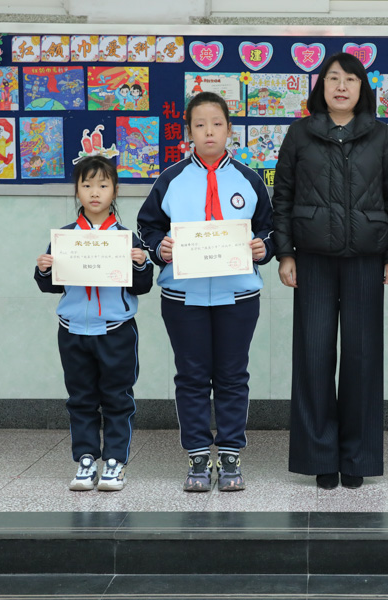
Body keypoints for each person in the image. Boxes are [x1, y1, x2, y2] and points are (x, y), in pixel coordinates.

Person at [272, 52, 388, 489]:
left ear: (362, 88)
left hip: (366, 259)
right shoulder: (300, 133)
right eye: (333, 78)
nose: (342, 86)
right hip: (312, 258)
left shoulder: (380, 134)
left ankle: (357, 458)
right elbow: (283, 197)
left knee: (362, 358)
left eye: (351, 79)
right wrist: (285, 253)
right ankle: (319, 457)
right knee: (313, 356)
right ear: (322, 87)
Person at [136, 91, 274, 492]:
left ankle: (230, 455)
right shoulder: (171, 179)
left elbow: (270, 228)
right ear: (188, 133)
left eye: (216, 124)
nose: (209, 131)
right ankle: (197, 457)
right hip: (183, 298)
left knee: (232, 376)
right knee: (192, 376)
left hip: (238, 297)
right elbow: (148, 227)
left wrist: (264, 247)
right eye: (200, 125)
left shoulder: (249, 179)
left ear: (230, 130)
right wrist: (159, 248)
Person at [35, 155, 154, 492]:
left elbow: (142, 287)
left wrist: (141, 264)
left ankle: (114, 462)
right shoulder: (65, 238)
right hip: (72, 330)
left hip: (116, 332)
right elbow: (51, 286)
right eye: (86, 185)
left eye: (103, 185)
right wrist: (44, 269)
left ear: (115, 190)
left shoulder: (127, 239)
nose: (95, 192)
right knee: (81, 399)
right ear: (77, 191)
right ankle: (86, 460)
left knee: (117, 398)